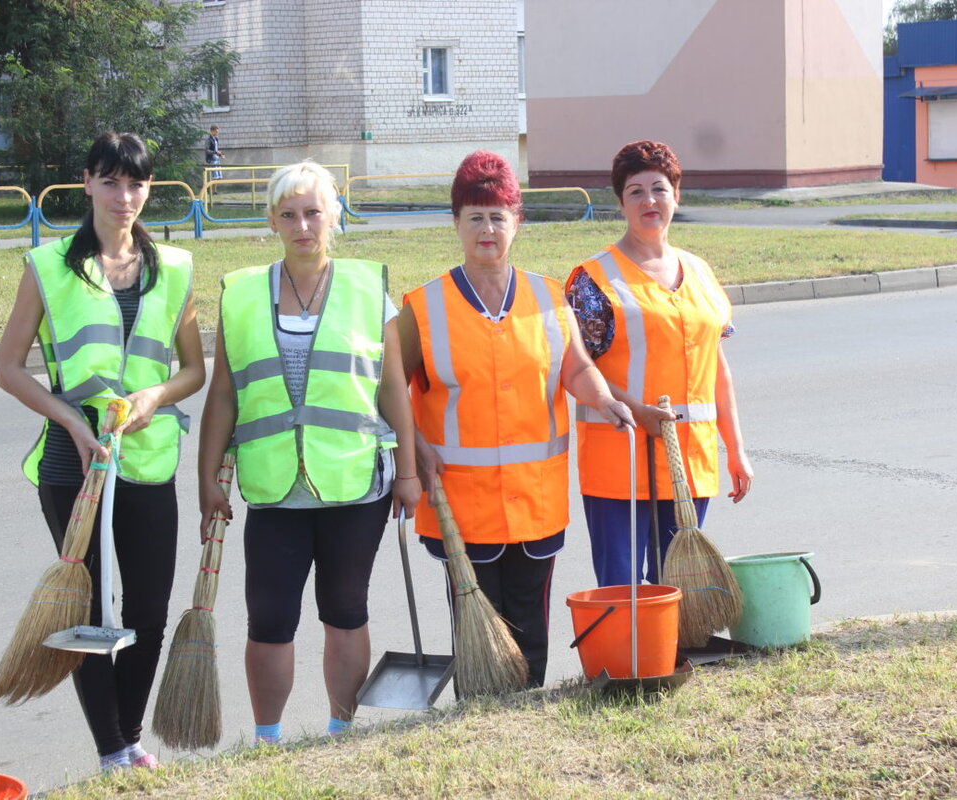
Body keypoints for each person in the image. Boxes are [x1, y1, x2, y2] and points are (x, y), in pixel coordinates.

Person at [0, 132, 204, 773]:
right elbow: (8, 368)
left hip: (146, 459)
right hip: (71, 462)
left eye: (136, 183)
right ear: (85, 183)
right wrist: (72, 423)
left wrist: (153, 396)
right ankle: (112, 751)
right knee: (84, 608)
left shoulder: (175, 267)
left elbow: (194, 370)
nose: (125, 196)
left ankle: (131, 736)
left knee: (147, 607)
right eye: (110, 181)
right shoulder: (48, 264)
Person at [198, 160, 420, 743]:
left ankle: (339, 731)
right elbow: (223, 393)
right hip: (274, 487)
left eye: (314, 212)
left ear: (335, 217)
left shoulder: (370, 289)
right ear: (271, 219)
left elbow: (393, 388)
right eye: (290, 214)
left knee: (345, 609)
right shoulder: (242, 293)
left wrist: (409, 473)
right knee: (269, 619)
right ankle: (267, 739)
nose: (303, 225)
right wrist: (206, 479)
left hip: (355, 484)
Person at [397, 151, 633, 688]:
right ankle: (479, 711)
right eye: (475, 216)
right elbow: (392, 393)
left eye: (498, 216)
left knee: (530, 622)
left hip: (535, 501)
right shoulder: (422, 307)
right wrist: (411, 447)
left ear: (517, 223)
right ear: (454, 222)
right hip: (460, 503)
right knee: (477, 623)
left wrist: (603, 399)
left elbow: (575, 368)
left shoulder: (549, 298)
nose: (487, 229)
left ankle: (527, 712)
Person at [565, 139, 754, 589]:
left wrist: (737, 450)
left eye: (659, 188)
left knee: (680, 583)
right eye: (636, 191)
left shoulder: (700, 272)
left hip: (690, 461)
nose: (649, 201)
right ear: (620, 203)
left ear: (676, 195)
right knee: (624, 587)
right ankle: (630, 661)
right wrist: (637, 411)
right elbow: (573, 369)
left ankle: (670, 657)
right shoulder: (593, 278)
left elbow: (717, 368)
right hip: (620, 462)